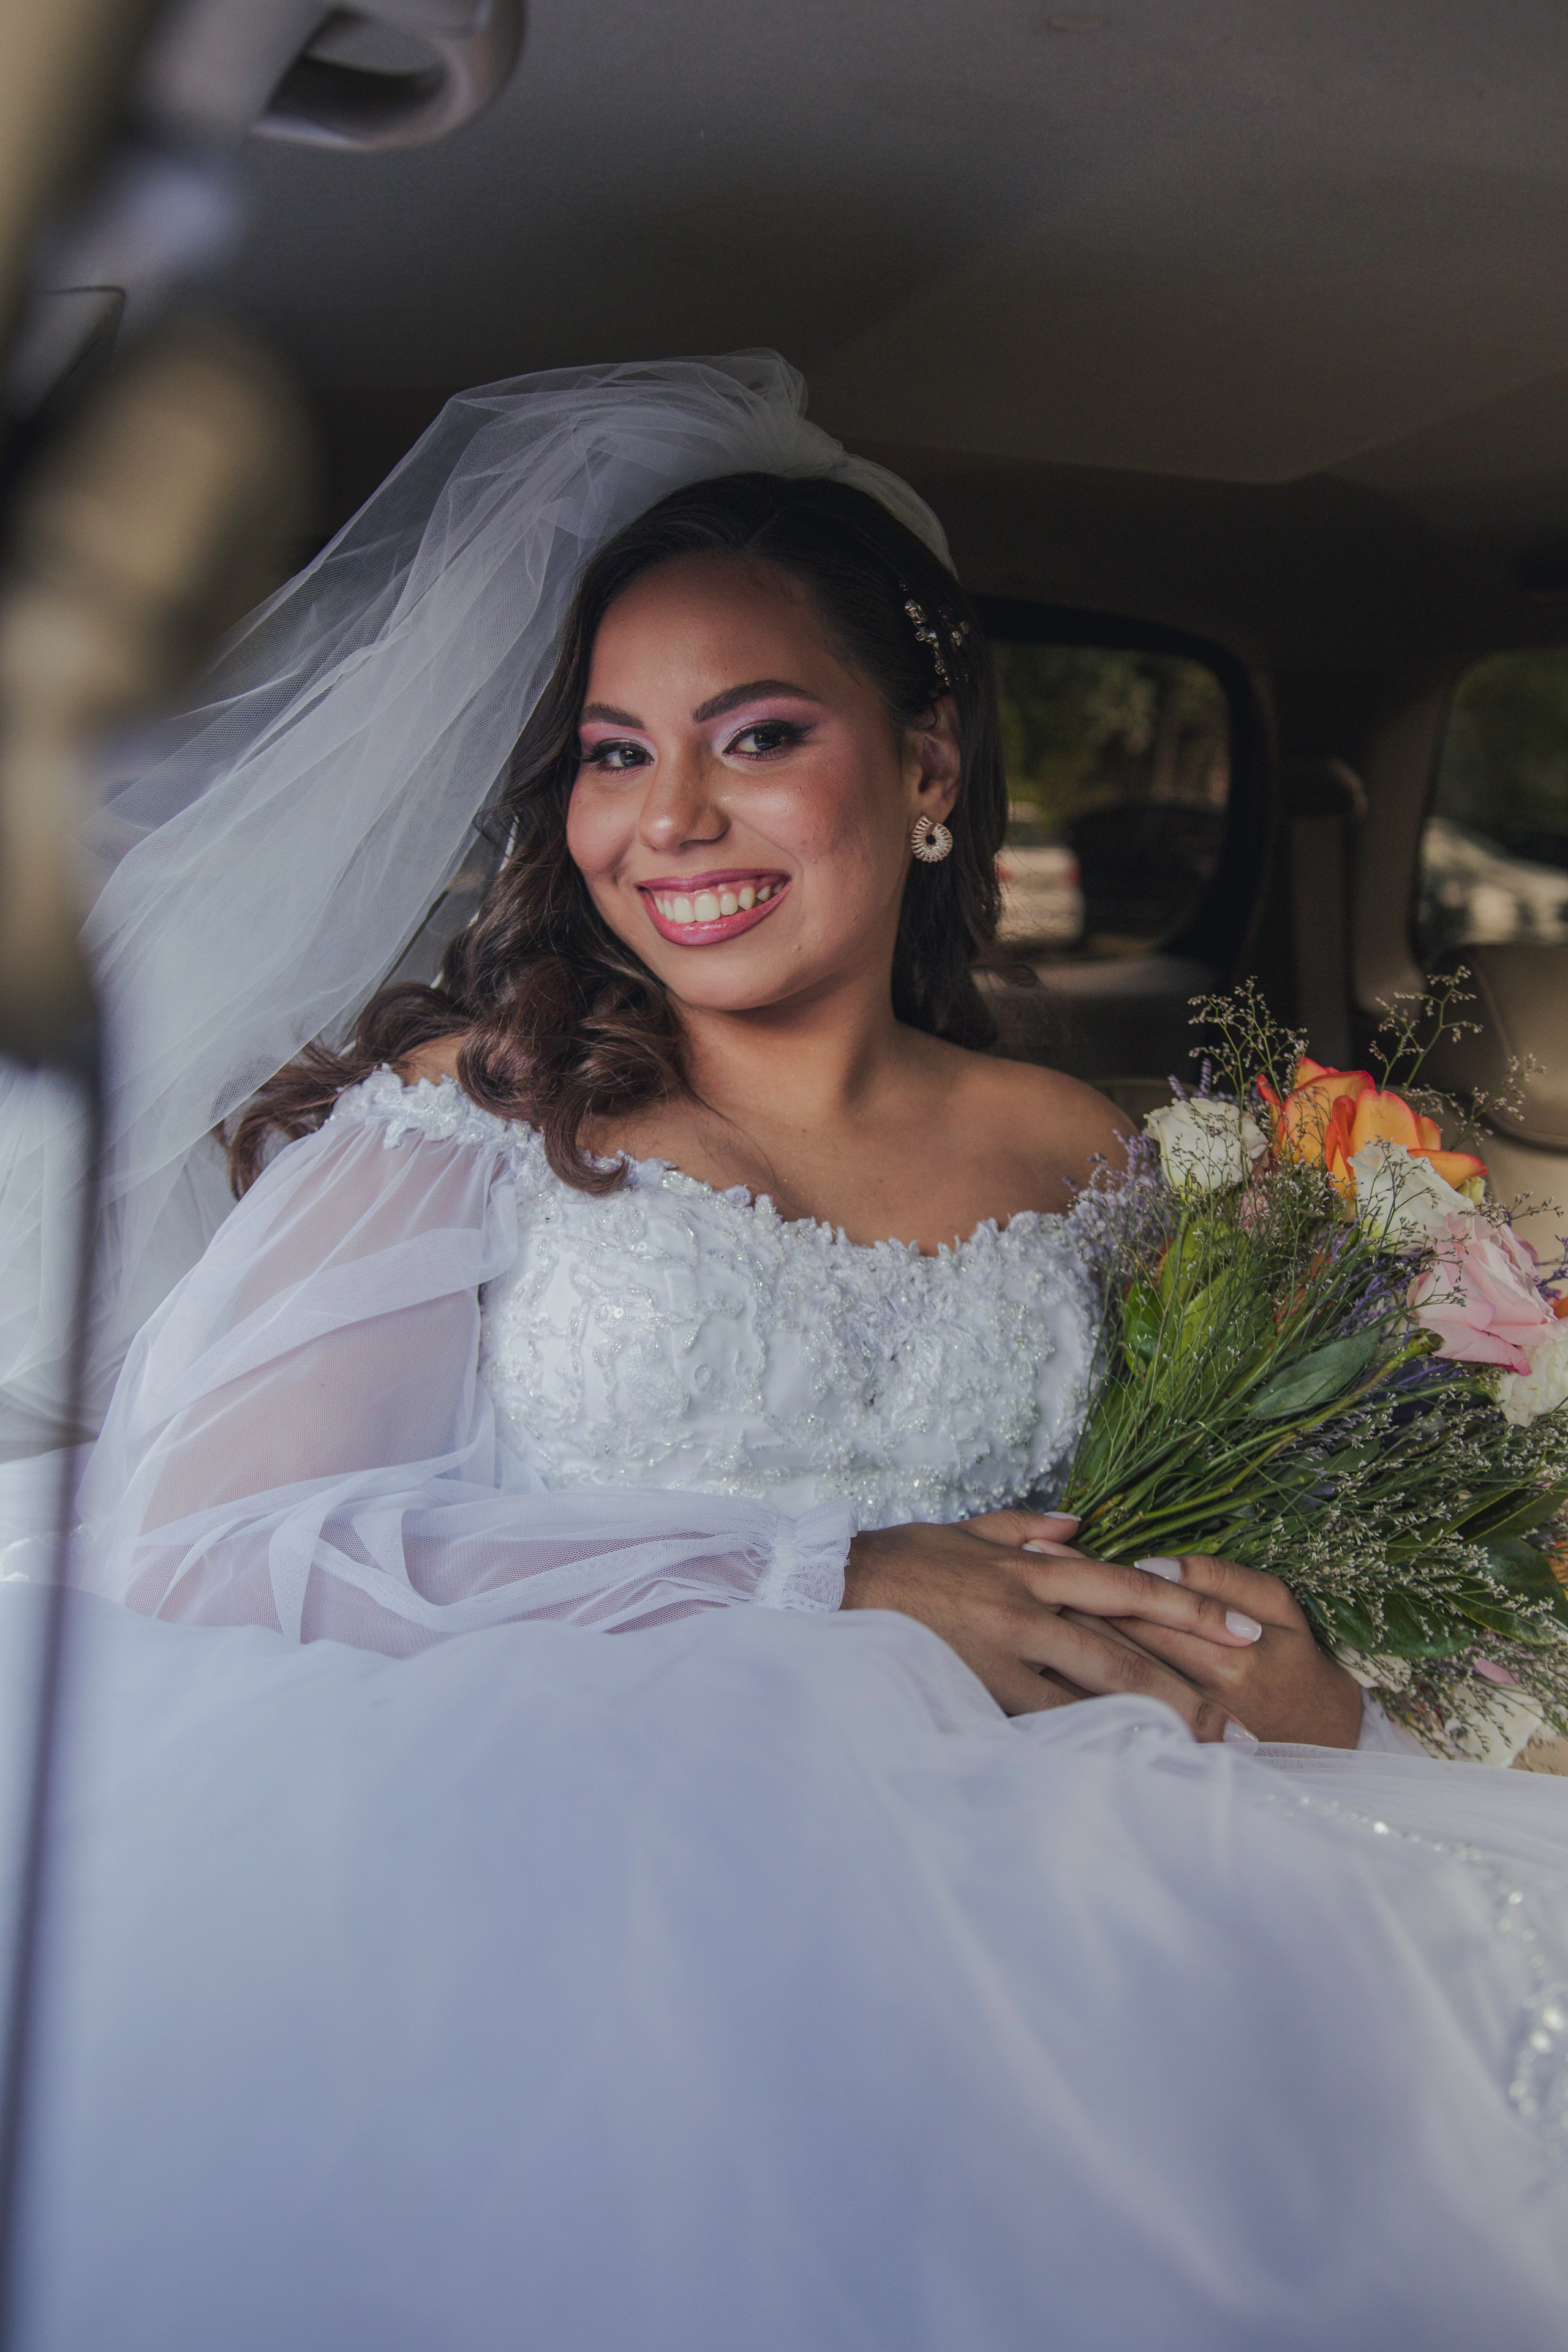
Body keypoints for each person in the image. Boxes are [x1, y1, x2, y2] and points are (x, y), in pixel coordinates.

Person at [6, 358, 1568, 2348]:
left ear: (926, 769)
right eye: (609, 751)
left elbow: (1247, 1519)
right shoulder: (471, 1114)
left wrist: (1305, 1673)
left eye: (755, 735)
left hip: (1078, 1869)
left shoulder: (1117, 1162)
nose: (668, 821)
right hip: (567, 1857)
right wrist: (816, 1582)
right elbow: (223, 1551)